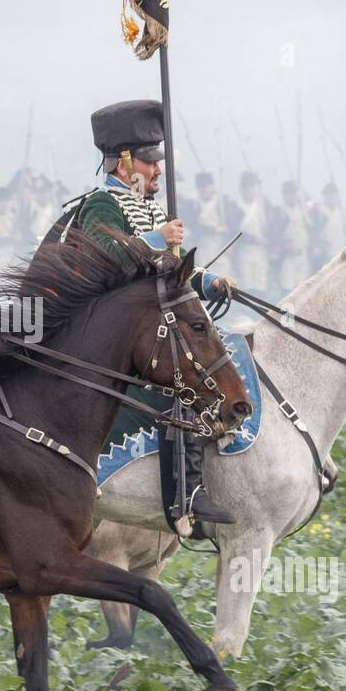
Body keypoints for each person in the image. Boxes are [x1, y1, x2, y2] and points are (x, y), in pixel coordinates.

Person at [68, 99, 238, 533]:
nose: (158, 170)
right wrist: (152, 237)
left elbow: (170, 271)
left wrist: (209, 281)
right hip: (108, 336)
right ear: (125, 163)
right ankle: (183, 497)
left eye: (158, 162)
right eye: (150, 161)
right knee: (182, 385)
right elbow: (100, 261)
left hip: (148, 327)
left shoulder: (150, 208)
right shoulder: (103, 205)